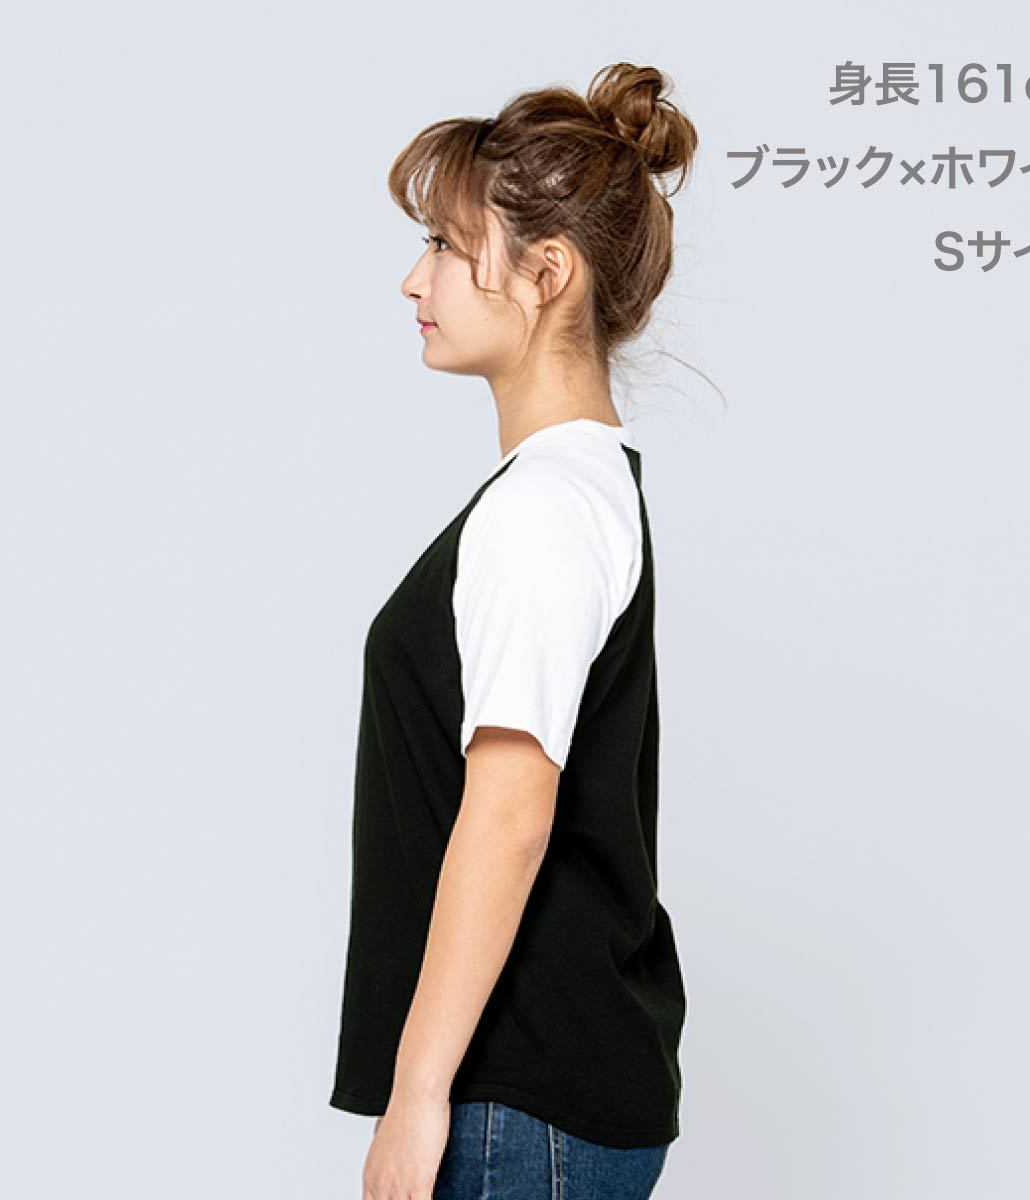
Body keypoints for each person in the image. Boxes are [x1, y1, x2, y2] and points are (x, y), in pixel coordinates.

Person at [329, 62, 698, 1200]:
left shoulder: (544, 507)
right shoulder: (578, 490)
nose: (415, 278)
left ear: (546, 273)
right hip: (544, 1099)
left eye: (445, 245)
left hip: (516, 1104)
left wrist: (417, 1095)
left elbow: (510, 811)